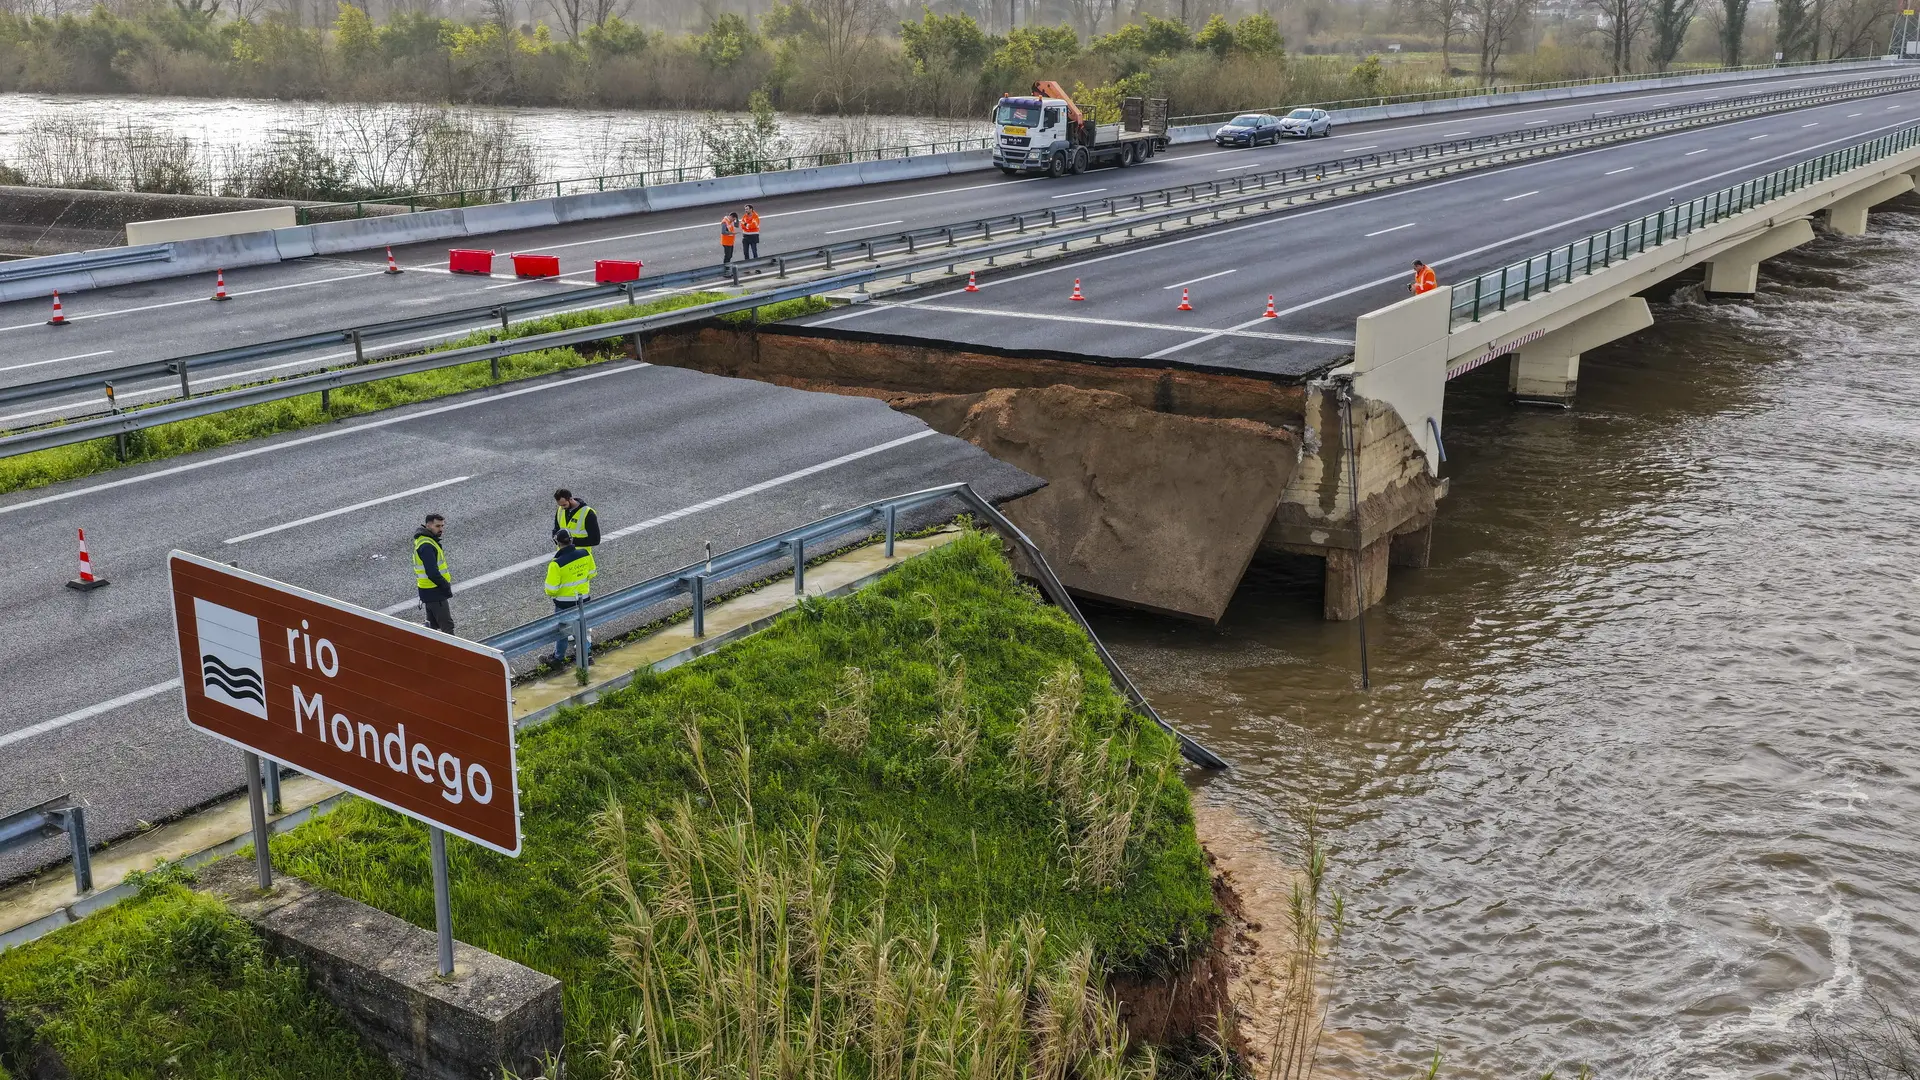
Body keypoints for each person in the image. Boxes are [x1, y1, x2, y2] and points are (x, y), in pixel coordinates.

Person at [543, 530, 597, 665]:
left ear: (557, 543)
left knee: (562, 631)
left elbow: (550, 590)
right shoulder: (585, 554)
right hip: (583, 599)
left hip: (564, 604)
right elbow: (592, 573)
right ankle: (587, 655)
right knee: (581, 628)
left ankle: (558, 658)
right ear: (571, 540)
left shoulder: (556, 564)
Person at [412, 513, 454, 633]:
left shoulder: (424, 541)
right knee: (447, 627)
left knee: (432, 627)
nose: (441, 529)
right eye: (437, 526)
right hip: (435, 591)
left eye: (442, 526)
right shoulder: (427, 546)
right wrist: (445, 585)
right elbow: (432, 572)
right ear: (428, 525)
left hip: (428, 591)